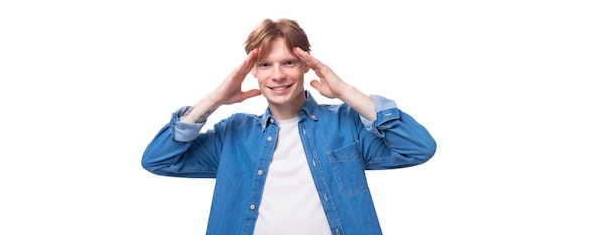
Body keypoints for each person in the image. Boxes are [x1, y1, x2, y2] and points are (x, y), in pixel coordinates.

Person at [141, 18, 436, 235]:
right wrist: (213, 100)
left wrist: (347, 91)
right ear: (252, 71)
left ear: (306, 64)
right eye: (266, 65)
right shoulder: (233, 134)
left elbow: (418, 148)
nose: (278, 75)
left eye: (288, 63)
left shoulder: (346, 125)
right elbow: (157, 160)